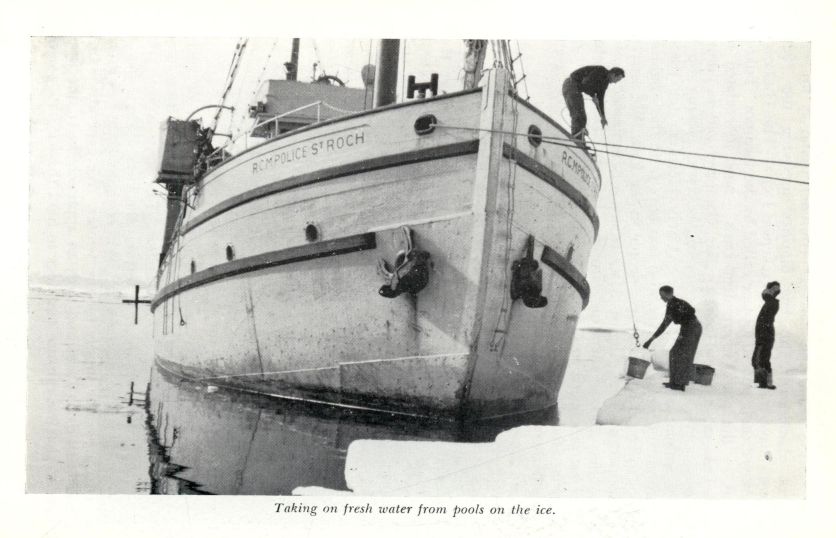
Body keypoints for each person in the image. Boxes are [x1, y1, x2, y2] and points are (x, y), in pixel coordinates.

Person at [642, 286, 703, 391]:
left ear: (667, 294)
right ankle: (674, 382)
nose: (661, 298)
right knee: (674, 353)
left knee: (683, 354)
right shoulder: (673, 304)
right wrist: (651, 339)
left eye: (661, 295)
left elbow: (664, 325)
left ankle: (679, 384)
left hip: (693, 328)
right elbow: (665, 323)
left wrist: (650, 340)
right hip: (687, 327)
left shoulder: (674, 304)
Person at [562, 66, 625, 139]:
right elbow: (585, 83)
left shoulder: (604, 84)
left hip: (576, 88)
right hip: (571, 84)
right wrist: (592, 95)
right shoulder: (600, 71)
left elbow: (600, 100)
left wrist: (602, 117)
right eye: (617, 79)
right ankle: (577, 139)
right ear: (613, 74)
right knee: (579, 114)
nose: (615, 83)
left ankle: (579, 139)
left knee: (582, 116)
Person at [752, 281, 780, 390]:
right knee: (761, 359)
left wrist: (768, 291)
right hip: (765, 336)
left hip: (764, 336)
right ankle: (765, 383)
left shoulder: (771, 303)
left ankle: (765, 383)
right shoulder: (771, 303)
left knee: (758, 360)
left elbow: (765, 322)